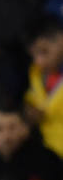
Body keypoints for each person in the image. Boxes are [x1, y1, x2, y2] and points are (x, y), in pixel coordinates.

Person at [24, 18, 63, 158]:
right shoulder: (35, 73)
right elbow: (32, 99)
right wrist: (30, 111)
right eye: (33, 55)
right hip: (51, 156)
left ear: (61, 40)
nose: (39, 61)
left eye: (44, 52)